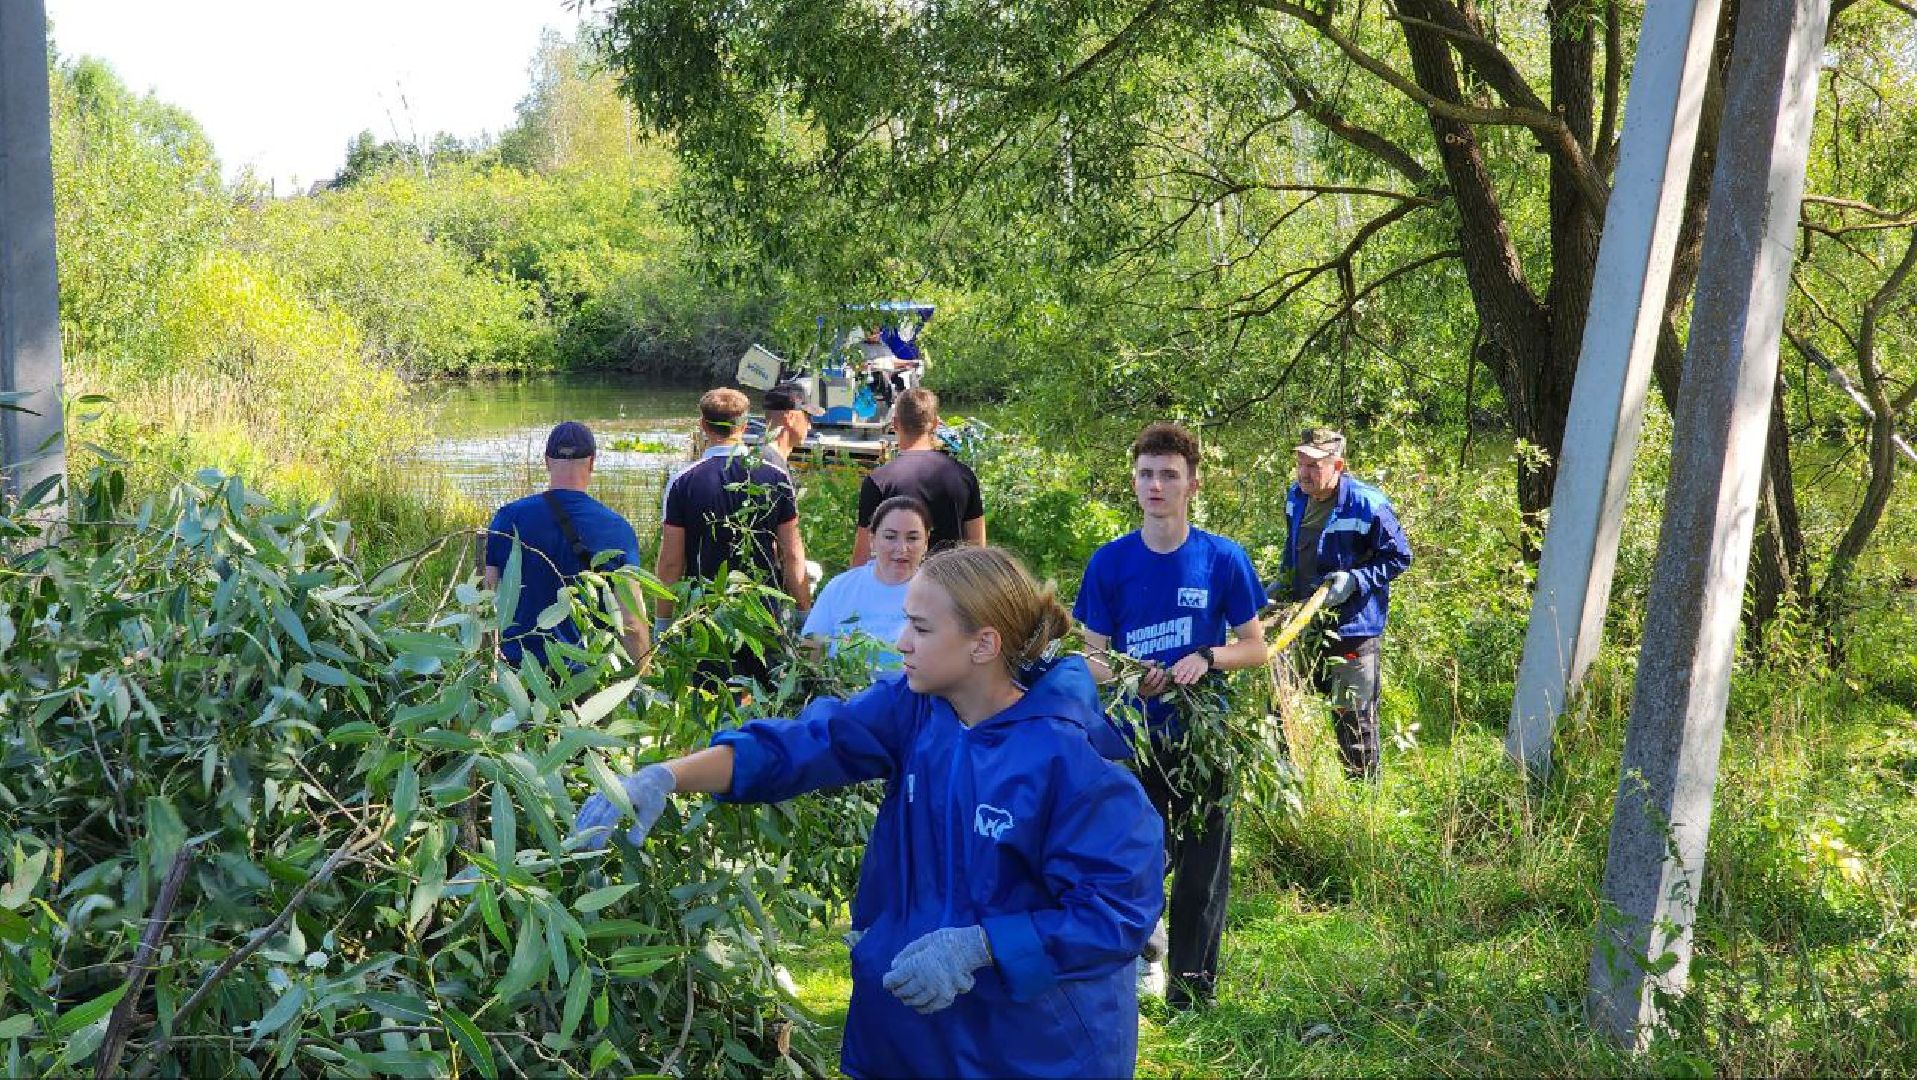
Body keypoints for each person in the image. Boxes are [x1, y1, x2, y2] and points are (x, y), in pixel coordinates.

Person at [573, 546, 1165, 1078]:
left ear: (983, 644)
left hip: (1029, 1049)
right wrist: (667, 776)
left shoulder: (1071, 758)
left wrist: (982, 945)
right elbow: (804, 744)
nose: (901, 641)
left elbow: (1116, 912)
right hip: (906, 1036)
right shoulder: (915, 710)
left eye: (921, 627)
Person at [1075, 421, 1268, 1009]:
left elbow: (1255, 648)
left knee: (1202, 866)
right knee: (1136, 859)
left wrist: (1208, 658)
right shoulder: (1110, 563)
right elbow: (1090, 658)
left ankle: (1193, 989)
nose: (1156, 485)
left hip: (1204, 737)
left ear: (1192, 485)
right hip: (1132, 738)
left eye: (1169, 475)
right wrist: (1137, 677)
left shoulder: (1221, 558)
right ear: (1134, 483)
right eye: (1146, 474)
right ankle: (1140, 961)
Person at [1275, 427, 1413, 780]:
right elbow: (1294, 552)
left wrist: (1355, 580)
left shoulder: (1368, 504)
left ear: (1338, 465)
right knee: (1279, 706)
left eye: (1314, 465)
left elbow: (1399, 557)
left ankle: (1364, 805)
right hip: (1302, 624)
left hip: (1352, 627)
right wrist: (1281, 584)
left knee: (1353, 720)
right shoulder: (1296, 497)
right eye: (1301, 463)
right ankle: (1289, 787)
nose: (1305, 473)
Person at [655, 388, 812, 686]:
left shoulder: (682, 482)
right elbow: (792, 554)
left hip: (704, 614)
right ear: (744, 425)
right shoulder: (775, 476)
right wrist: (805, 614)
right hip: (763, 613)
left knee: (709, 702)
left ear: (703, 425)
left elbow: (671, 563)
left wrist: (662, 625)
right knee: (764, 702)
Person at [484, 421, 648, 668]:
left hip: (517, 672)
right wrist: (642, 680)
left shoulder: (508, 518)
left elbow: (486, 599)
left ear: (547, 461)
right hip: (585, 676)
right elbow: (631, 622)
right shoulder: (617, 529)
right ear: (592, 462)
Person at [853, 389, 985, 564]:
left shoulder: (879, 481)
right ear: (936, 424)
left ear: (895, 423)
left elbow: (863, 557)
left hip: (899, 584)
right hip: (950, 585)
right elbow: (978, 549)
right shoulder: (964, 476)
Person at [803, 496, 931, 669]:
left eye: (912, 538)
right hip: (844, 694)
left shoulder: (938, 594)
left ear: (926, 543)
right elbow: (809, 653)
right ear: (872, 540)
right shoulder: (840, 588)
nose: (901, 549)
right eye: (890, 537)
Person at [761, 380, 822, 475]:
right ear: (790, 418)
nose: (809, 426)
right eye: (808, 416)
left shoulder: (758, 459)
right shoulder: (773, 468)